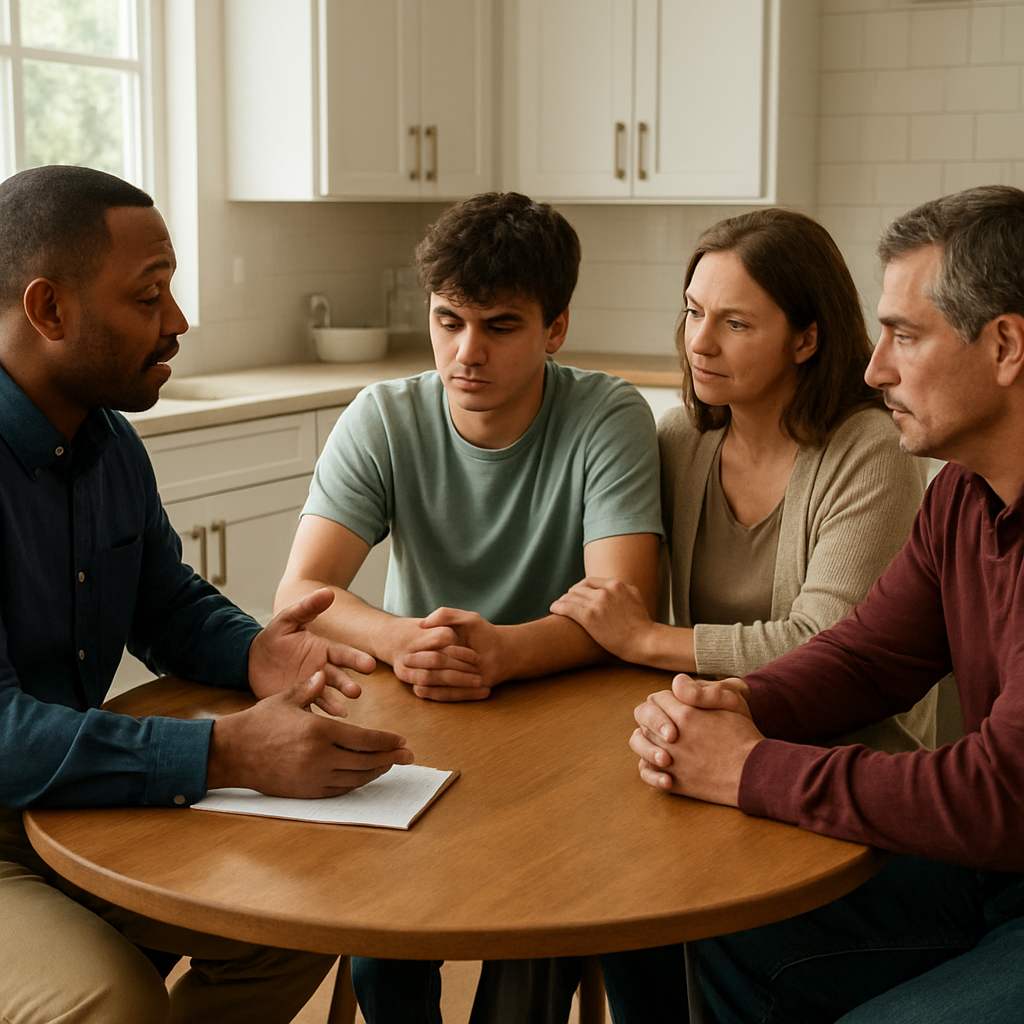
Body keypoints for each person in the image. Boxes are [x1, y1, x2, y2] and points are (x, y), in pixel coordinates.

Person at [0, 164, 414, 1024]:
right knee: (112, 998)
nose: (178, 321)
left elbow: (165, 603)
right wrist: (220, 753)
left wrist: (257, 650)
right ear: (49, 310)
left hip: (63, 805)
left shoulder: (108, 443)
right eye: (148, 296)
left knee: (299, 916)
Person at [628, 184, 1024, 1023]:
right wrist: (737, 704)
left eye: (905, 335)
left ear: (1005, 346)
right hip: (991, 875)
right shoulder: (962, 495)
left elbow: (1002, 794)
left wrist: (748, 767)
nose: (875, 368)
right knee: (706, 919)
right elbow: (870, 657)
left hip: (1005, 852)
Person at [275, 191, 664, 1022]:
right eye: (448, 321)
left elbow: (628, 608)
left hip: (566, 726)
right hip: (418, 718)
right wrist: (400, 639)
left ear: (556, 328)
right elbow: (300, 594)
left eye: (500, 326)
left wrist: (508, 652)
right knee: (384, 937)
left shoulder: (608, 414)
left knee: (541, 930)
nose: (466, 352)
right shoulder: (383, 417)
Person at [552, 207, 933, 754]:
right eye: (694, 312)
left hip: (848, 758)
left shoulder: (871, 448)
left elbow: (823, 644)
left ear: (805, 340)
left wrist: (645, 639)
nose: (700, 342)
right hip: (714, 739)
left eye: (735, 324)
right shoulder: (681, 439)